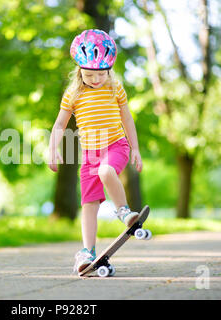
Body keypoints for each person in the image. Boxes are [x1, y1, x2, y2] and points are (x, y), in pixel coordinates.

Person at [48, 29, 143, 274]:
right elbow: (59, 124)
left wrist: (135, 149)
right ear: (80, 70)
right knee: (89, 203)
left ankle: (123, 212)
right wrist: (53, 149)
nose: (96, 79)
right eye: (89, 74)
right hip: (89, 154)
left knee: (106, 170)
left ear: (108, 70)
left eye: (101, 74)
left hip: (115, 145)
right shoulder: (73, 93)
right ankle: (87, 251)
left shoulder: (115, 88)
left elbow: (128, 119)